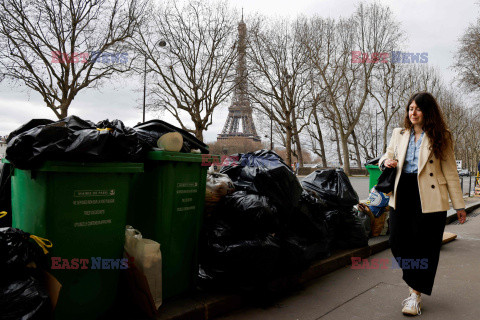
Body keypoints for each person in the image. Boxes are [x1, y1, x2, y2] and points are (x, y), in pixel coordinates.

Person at [379, 92, 466, 316]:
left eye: (418, 108)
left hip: (430, 197)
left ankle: (414, 295)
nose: (413, 113)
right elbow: (386, 156)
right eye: (410, 108)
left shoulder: (441, 136)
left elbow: (451, 172)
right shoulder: (399, 133)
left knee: (424, 247)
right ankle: (415, 282)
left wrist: (459, 205)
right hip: (402, 192)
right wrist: (385, 161)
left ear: (428, 111)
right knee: (396, 240)